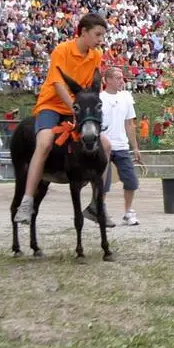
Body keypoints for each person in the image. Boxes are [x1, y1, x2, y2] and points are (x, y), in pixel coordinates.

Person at [14, 13, 111, 225]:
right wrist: (76, 110)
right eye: (97, 35)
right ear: (83, 32)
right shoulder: (62, 51)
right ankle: (27, 201)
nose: (100, 40)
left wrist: (85, 110)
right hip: (52, 105)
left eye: (102, 36)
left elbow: (89, 88)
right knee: (45, 141)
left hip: (76, 108)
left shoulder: (96, 55)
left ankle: (97, 204)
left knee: (105, 144)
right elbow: (58, 85)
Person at [100, 67, 143, 226]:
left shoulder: (126, 97)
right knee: (103, 182)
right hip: (104, 146)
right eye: (117, 78)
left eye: (122, 78)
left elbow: (129, 124)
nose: (121, 81)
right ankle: (101, 209)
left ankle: (128, 211)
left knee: (131, 180)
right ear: (107, 80)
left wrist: (135, 147)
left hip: (122, 146)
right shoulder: (99, 98)